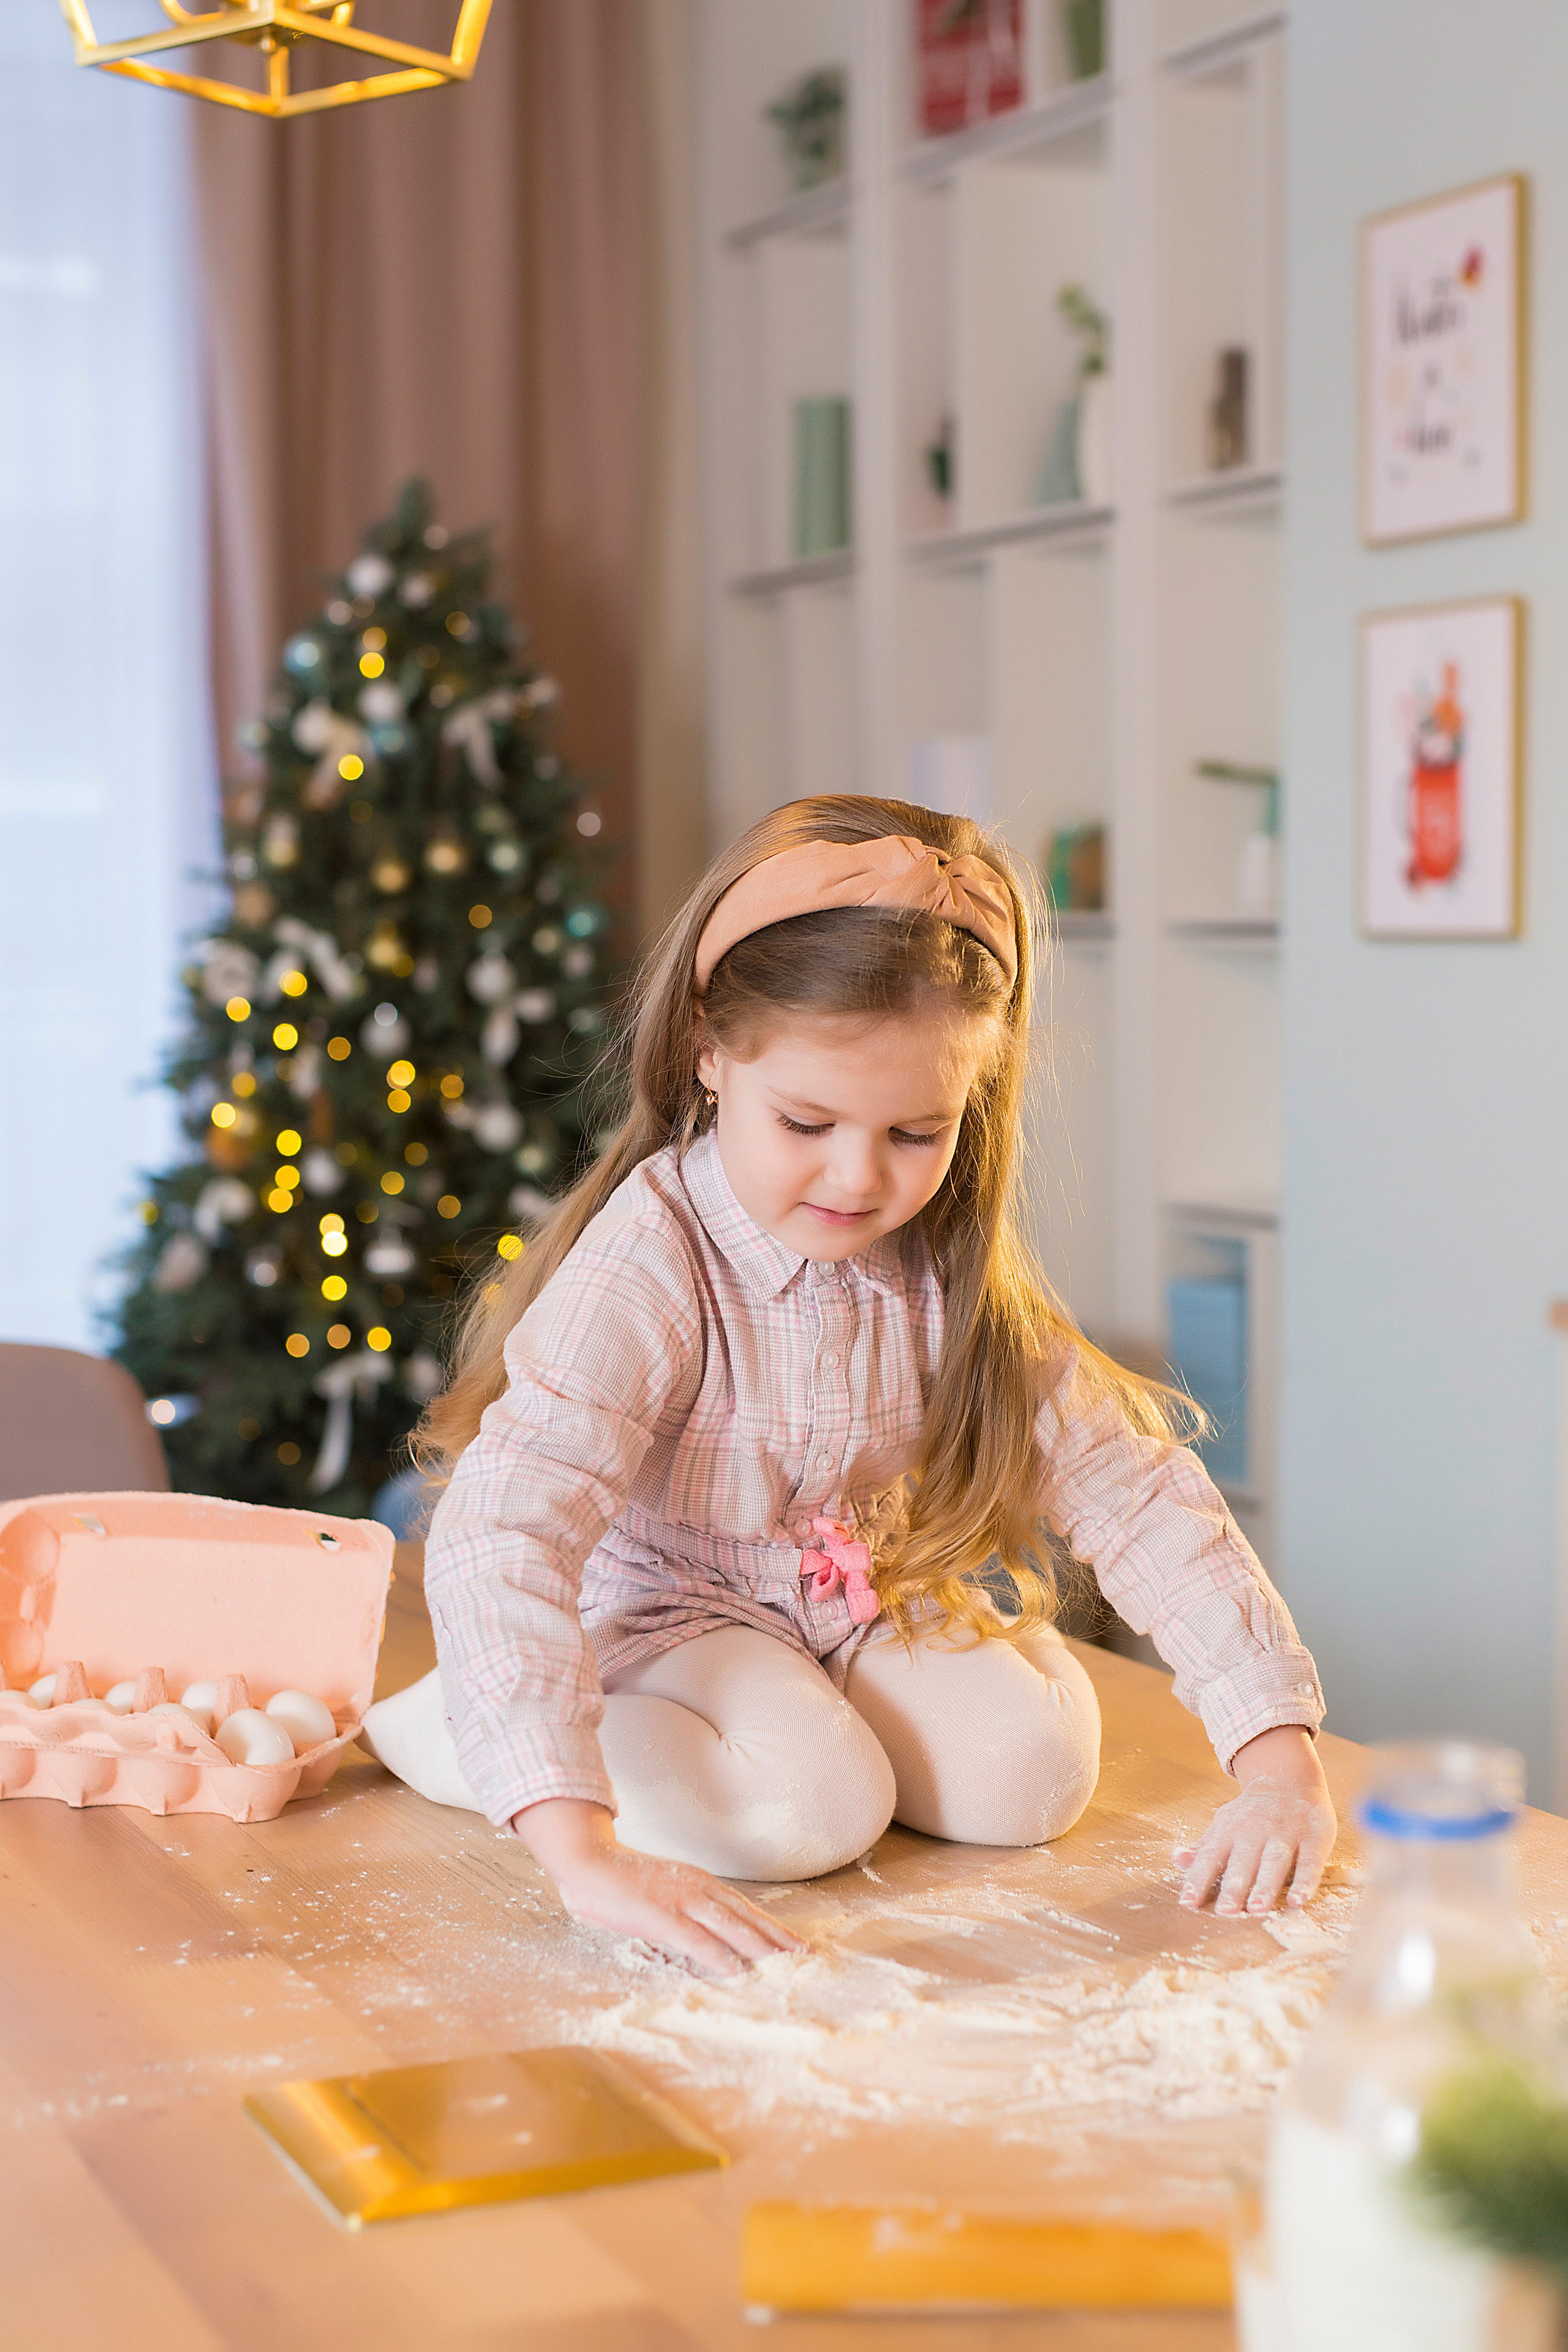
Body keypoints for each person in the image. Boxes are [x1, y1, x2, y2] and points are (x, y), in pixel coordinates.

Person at [363, 796, 1333, 1979]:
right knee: (807, 1810)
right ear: (710, 1059)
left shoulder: (950, 1259)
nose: (859, 1178)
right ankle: (473, 1738)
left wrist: (1280, 1768)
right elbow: (505, 1526)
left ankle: (803, 1720)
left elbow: (1133, 1492)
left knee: (1028, 1773)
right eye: (809, 1120)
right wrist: (582, 1852)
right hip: (660, 1621)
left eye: (916, 1133)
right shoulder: (656, 1253)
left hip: (846, 1605)